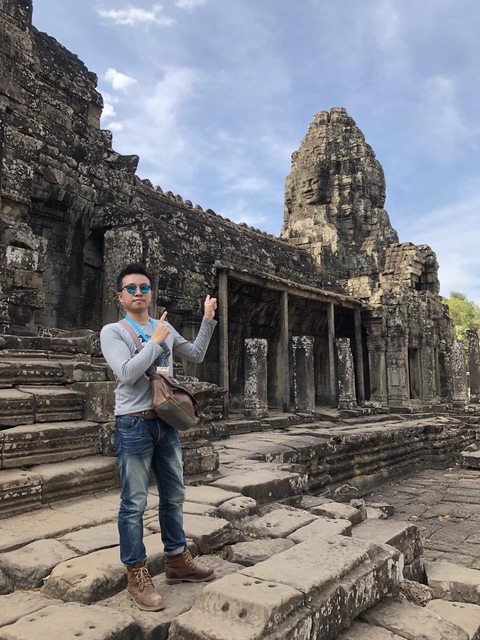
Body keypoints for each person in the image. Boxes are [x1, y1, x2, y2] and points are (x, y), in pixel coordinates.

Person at [100, 263, 217, 611]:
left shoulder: (164, 326)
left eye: (144, 288)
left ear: (151, 294)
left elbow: (195, 354)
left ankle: (177, 559)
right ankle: (136, 574)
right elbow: (126, 374)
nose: (138, 293)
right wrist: (154, 342)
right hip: (133, 423)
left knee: (174, 494)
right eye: (131, 288)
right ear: (120, 296)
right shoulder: (113, 331)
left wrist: (208, 319)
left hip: (166, 421)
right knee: (134, 502)